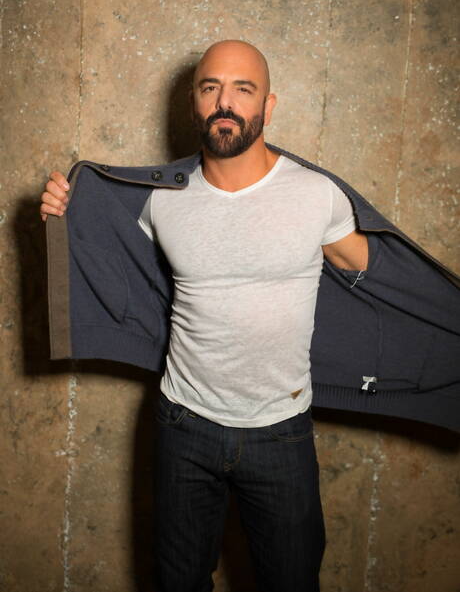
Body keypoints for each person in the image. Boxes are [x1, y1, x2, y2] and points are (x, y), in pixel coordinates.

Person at [39, 40, 456, 592]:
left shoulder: (316, 196)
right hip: (183, 425)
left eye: (243, 89)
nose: (225, 102)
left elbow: (385, 283)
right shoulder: (161, 200)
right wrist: (64, 211)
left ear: (268, 105)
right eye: (211, 87)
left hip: (280, 433)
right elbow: (105, 242)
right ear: (194, 101)